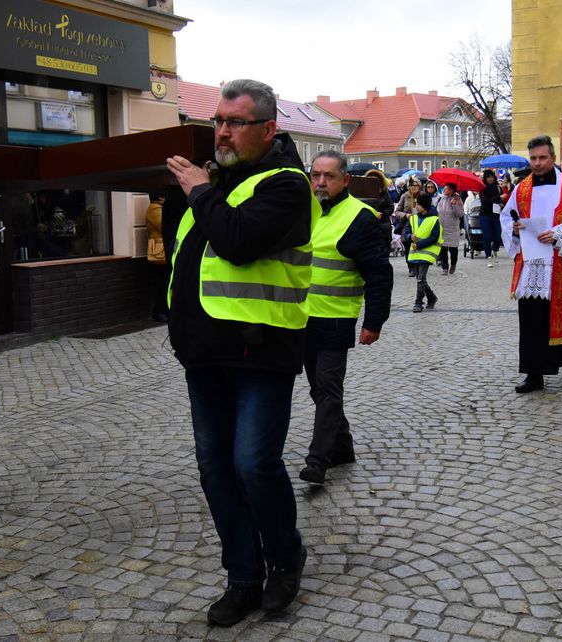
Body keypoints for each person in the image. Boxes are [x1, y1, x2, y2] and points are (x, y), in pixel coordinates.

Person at [164, 78, 314, 627]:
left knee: (253, 463)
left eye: (234, 123)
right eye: (217, 122)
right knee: (215, 469)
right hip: (204, 353)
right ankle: (243, 576)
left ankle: (285, 558)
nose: (222, 132)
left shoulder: (287, 185)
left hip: (261, 351)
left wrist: (200, 191)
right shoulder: (212, 180)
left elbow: (237, 242)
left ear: (267, 129)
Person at [299, 151, 393, 485]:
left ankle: (317, 460)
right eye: (316, 175)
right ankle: (343, 446)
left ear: (345, 180)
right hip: (301, 319)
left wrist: (373, 322)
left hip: (336, 320)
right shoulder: (306, 212)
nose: (321, 182)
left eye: (329, 176)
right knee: (317, 390)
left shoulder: (360, 218)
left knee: (327, 389)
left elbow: (380, 274)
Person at [500, 135, 562, 393]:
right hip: (532, 264)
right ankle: (534, 375)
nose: (537, 163)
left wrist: (559, 233)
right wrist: (517, 229)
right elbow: (506, 219)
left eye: (542, 157)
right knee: (530, 319)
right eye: (533, 158)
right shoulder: (521, 188)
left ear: (553, 158)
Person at [404, 192, 441, 312]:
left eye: (418, 204)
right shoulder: (413, 219)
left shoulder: (434, 220)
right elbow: (407, 232)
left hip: (426, 253)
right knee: (420, 279)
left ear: (424, 205)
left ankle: (418, 302)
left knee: (421, 278)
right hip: (415, 253)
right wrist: (410, 237)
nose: (416, 206)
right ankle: (431, 297)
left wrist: (419, 244)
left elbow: (434, 237)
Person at [144, 192, 169, 322]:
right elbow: (164, 225)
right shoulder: (154, 208)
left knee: (167, 281)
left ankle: (164, 310)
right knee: (164, 282)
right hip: (161, 250)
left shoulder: (160, 208)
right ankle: (159, 311)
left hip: (166, 249)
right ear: (160, 197)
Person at [394, 178, 422, 276]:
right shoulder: (404, 196)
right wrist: (405, 215)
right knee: (407, 246)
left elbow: (429, 209)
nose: (414, 187)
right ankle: (411, 267)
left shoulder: (422, 196)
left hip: (420, 223)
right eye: (411, 185)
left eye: (416, 185)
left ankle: (419, 265)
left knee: (418, 245)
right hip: (407, 225)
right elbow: (397, 211)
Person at [436, 182, 465, 274]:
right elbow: (437, 211)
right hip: (442, 228)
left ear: (452, 190)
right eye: (444, 188)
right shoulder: (441, 198)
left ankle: (453, 264)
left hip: (453, 229)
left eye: (447, 189)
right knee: (443, 249)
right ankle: (445, 268)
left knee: (453, 250)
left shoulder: (457, 199)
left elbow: (460, 214)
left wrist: (454, 205)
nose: (444, 190)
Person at [479, 169, 502, 267]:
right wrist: (498, 198)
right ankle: (488, 257)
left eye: (492, 176)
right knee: (487, 237)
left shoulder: (498, 188)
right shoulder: (482, 188)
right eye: (488, 177)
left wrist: (501, 203)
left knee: (497, 237)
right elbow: (485, 201)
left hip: (496, 215)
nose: (490, 179)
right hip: (485, 215)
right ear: (485, 178)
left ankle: (495, 250)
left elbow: (501, 201)